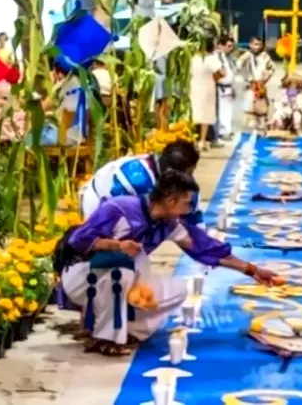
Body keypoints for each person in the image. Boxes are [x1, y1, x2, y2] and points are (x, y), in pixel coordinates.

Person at [58, 171, 280, 356]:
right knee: (122, 272)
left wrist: (253, 270)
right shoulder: (119, 208)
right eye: (185, 203)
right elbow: (79, 239)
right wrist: (116, 245)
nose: (188, 210)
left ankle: (128, 331)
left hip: (119, 276)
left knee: (177, 290)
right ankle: (106, 338)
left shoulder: (169, 224)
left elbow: (206, 249)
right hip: (81, 274)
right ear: (170, 200)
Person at [79, 139, 203, 224]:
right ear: (172, 171)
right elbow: (111, 213)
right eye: (188, 173)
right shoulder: (136, 180)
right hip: (99, 204)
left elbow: (194, 219)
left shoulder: (165, 171)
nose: (190, 178)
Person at [190, 37, 224, 151]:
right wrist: (216, 77)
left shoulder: (193, 57)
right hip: (207, 87)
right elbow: (222, 72)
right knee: (205, 115)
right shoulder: (210, 58)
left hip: (193, 86)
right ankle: (202, 141)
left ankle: (192, 140)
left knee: (194, 113)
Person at [237, 37, 275, 133]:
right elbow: (238, 66)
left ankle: (262, 127)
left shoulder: (265, 56)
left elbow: (272, 69)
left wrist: (265, 79)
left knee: (262, 109)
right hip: (250, 85)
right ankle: (250, 130)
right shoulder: (246, 55)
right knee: (249, 108)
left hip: (261, 86)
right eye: (255, 44)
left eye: (259, 44)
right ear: (250, 45)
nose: (257, 46)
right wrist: (246, 78)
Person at [216, 35, 236, 142]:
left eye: (232, 46)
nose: (230, 48)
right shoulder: (217, 57)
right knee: (222, 111)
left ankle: (227, 130)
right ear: (221, 45)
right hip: (221, 88)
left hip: (228, 87)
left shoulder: (227, 57)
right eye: (228, 46)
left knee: (228, 111)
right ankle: (222, 131)